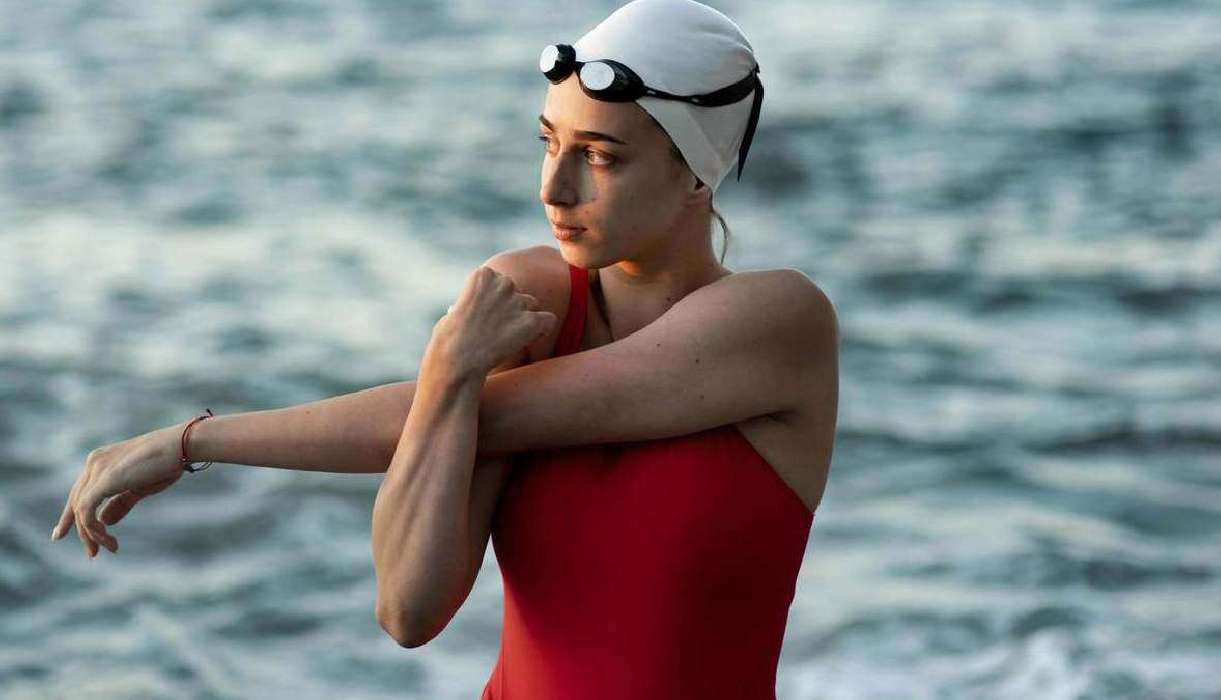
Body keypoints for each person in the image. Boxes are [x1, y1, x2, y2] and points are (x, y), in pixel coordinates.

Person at [51, 0, 839, 697]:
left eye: (599, 157)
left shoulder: (779, 323)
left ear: (696, 174)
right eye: (549, 143)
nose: (554, 188)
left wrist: (193, 440)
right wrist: (450, 372)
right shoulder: (531, 301)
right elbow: (408, 609)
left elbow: (494, 418)